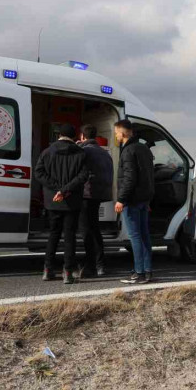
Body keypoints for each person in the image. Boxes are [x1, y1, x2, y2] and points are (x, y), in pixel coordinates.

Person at [33, 123, 89, 284]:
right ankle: (68, 273)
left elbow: (39, 173)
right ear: (74, 137)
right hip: (72, 201)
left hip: (53, 201)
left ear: (59, 135)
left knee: (53, 235)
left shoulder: (47, 152)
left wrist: (57, 189)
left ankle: (47, 270)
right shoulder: (81, 153)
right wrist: (65, 190)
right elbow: (83, 176)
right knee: (70, 237)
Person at [113, 119, 155, 284]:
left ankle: (139, 273)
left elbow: (129, 178)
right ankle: (147, 270)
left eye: (116, 133)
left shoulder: (128, 151)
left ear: (123, 134)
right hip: (144, 200)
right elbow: (149, 177)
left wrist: (121, 199)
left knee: (135, 236)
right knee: (144, 236)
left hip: (131, 200)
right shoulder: (143, 148)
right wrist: (148, 198)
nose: (116, 136)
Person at [77, 124, 113, 277]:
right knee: (95, 229)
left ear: (82, 136)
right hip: (100, 194)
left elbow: (78, 172)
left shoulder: (83, 151)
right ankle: (101, 265)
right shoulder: (105, 153)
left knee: (86, 231)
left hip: (86, 194)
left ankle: (91, 265)